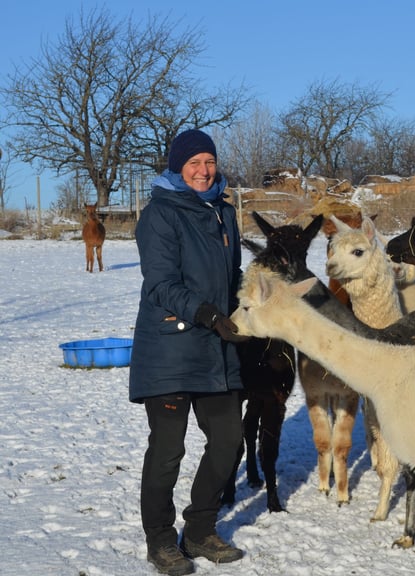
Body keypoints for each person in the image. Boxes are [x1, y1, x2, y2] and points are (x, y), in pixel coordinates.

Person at [129, 129, 249, 576]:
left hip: (216, 346)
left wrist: (257, 304)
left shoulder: (224, 212)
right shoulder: (160, 214)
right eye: (194, 163)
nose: (203, 171)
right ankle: (160, 540)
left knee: (228, 441)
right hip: (171, 347)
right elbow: (160, 284)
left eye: (209, 162)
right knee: (167, 450)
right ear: (178, 167)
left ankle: (199, 530)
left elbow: (233, 276)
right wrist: (206, 313)